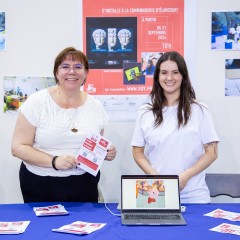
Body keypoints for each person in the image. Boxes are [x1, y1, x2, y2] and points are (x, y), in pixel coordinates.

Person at [11, 47, 117, 203]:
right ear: (56, 73)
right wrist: (54, 161)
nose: (72, 72)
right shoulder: (37, 102)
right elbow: (18, 147)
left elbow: (96, 145)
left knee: (86, 225)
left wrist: (106, 153)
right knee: (43, 227)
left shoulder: (96, 106)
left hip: (84, 183)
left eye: (78, 67)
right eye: (65, 66)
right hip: (41, 182)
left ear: (86, 73)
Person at [131, 51, 219, 204]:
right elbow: (137, 152)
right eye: (164, 73)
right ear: (157, 77)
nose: (169, 78)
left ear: (183, 76)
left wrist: (185, 176)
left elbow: (211, 152)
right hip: (157, 194)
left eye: (175, 73)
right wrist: (156, 177)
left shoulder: (200, 109)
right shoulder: (145, 112)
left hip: (194, 196)